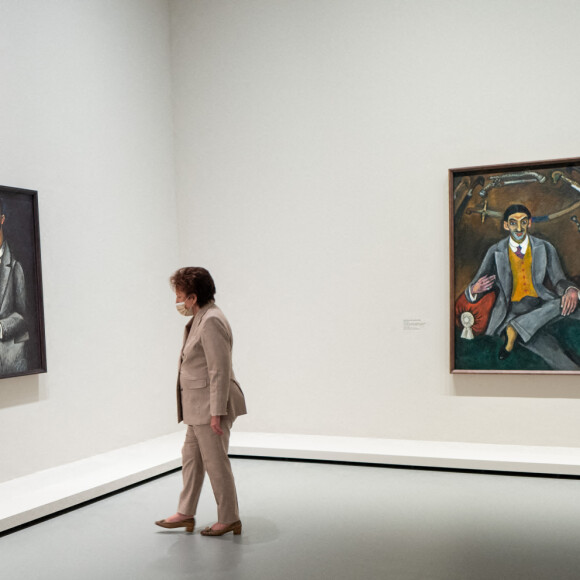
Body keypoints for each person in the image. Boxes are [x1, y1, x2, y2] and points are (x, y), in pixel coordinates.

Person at [156, 267, 247, 535]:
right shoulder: (200, 317)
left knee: (216, 464)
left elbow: (218, 369)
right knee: (191, 460)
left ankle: (229, 518)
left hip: (210, 409)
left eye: (180, 296)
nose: (177, 302)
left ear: (193, 297)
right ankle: (185, 513)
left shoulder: (212, 321)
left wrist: (216, 412)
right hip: (198, 409)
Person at [466, 204, 580, 369]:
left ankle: (517, 328)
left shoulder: (545, 247)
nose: (518, 228)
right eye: (513, 223)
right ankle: (516, 326)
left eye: (523, 222)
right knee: (557, 357)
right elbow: (472, 288)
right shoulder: (495, 251)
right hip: (511, 311)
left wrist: (570, 290)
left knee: (562, 301)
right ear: (506, 225)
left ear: (529, 223)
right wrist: (474, 290)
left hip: (542, 305)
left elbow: (559, 281)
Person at [0, 198, 29, 374]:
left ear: (2, 219)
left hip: (9, 361)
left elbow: (23, 316)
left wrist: (1, 327)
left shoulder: (16, 265)